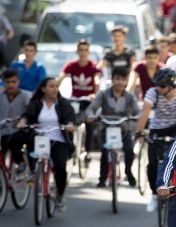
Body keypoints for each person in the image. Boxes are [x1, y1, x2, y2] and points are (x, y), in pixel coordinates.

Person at [135, 68, 176, 212]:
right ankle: (154, 195)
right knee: (152, 162)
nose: (158, 88)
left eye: (162, 86)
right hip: (157, 127)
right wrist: (139, 132)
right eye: (157, 85)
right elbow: (145, 112)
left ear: (170, 85)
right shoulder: (153, 92)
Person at [18, 77, 76, 210]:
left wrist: (70, 125)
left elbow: (70, 118)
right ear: (43, 89)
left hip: (58, 139)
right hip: (39, 138)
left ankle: (60, 196)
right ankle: (32, 172)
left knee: (60, 168)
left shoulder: (63, 103)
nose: (55, 89)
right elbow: (27, 115)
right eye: (51, 86)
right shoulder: (36, 103)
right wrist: (23, 121)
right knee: (32, 155)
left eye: (56, 86)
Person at [85, 67, 140, 188]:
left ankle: (128, 171)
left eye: (123, 79)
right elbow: (91, 108)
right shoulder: (103, 94)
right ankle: (102, 178)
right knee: (104, 151)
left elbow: (138, 111)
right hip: (106, 128)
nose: (120, 82)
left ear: (126, 81)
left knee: (129, 150)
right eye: (117, 79)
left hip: (124, 129)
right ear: (112, 79)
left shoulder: (130, 96)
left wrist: (138, 118)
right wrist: (90, 116)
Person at [0, 69, 31, 167]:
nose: (10, 85)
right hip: (2, 129)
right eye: (7, 82)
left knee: (14, 141)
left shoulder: (26, 96)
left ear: (18, 82)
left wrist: (23, 120)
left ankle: (20, 165)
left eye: (13, 82)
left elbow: (30, 112)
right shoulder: (1, 96)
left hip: (19, 130)